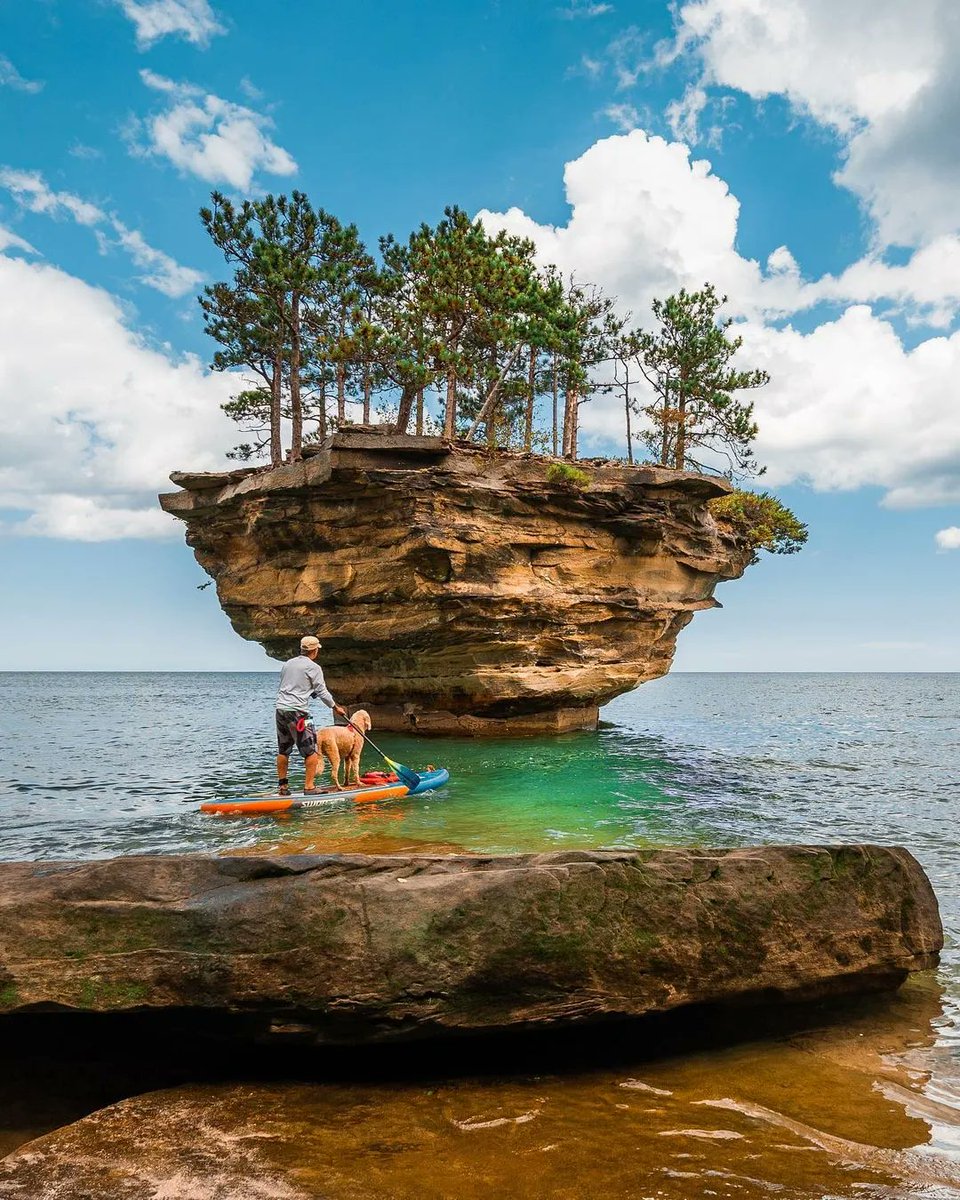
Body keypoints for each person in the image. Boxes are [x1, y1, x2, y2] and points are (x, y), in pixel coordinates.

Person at [275, 635, 346, 795]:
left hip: (280, 710)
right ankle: (309, 787)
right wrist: (335, 707)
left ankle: (283, 788)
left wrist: (308, 691)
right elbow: (322, 691)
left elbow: (290, 686)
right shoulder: (314, 668)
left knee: (283, 750)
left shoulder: (288, 664)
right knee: (312, 750)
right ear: (314, 651)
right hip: (299, 713)